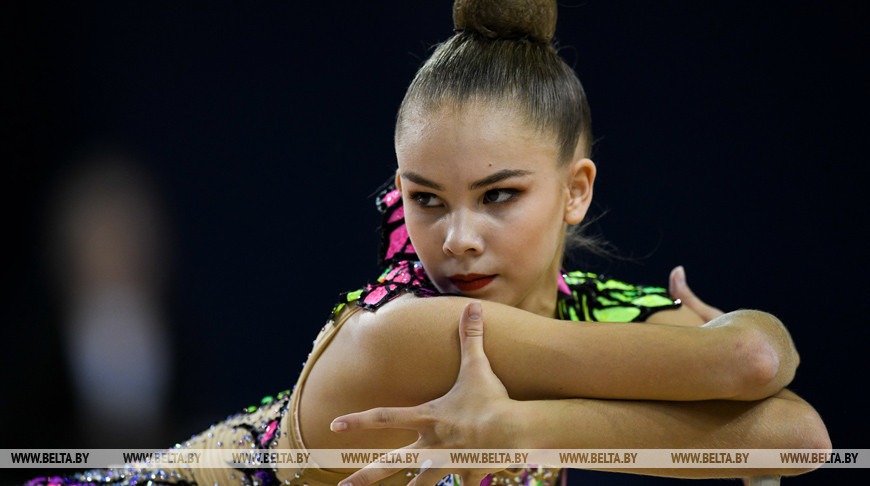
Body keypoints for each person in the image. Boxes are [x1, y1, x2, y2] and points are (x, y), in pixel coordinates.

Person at [23, 1, 829, 486]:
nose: (458, 239)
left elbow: (801, 443)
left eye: (499, 196)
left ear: (576, 190)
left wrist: (522, 429)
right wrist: (739, 341)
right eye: (427, 200)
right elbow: (750, 370)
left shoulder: (595, 315)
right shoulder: (413, 328)